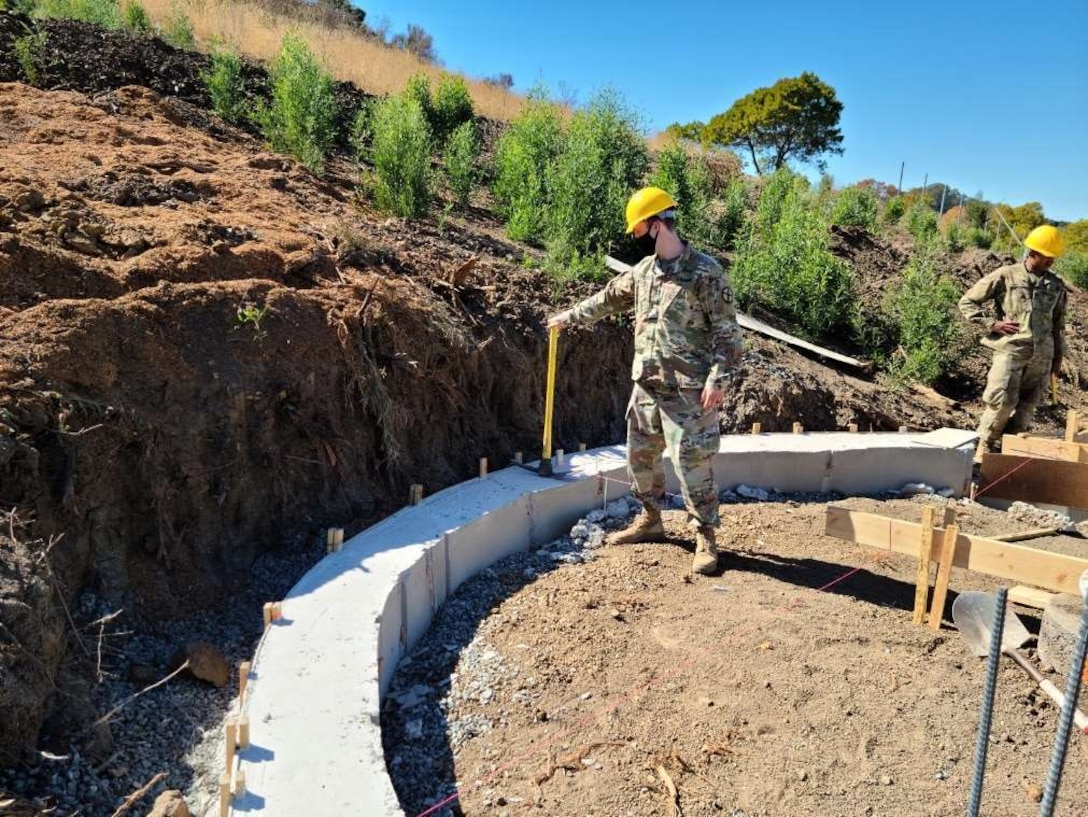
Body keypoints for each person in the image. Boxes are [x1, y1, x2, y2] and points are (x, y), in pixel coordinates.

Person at [548, 187, 744, 574]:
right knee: (640, 459)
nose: (637, 239)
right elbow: (605, 300)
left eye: (639, 231)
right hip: (647, 388)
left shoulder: (706, 273)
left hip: (690, 394)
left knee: (694, 466)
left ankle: (705, 535)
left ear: (657, 225)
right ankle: (651, 519)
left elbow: (729, 337)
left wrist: (717, 379)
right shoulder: (642, 274)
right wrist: (568, 317)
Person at [958, 224, 1068, 461]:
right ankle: (983, 449)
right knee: (1002, 403)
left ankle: (1009, 455)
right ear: (1033, 253)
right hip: (1011, 350)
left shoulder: (1056, 286)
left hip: (1042, 357)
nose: (1051, 261)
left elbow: (1058, 325)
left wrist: (1057, 359)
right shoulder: (1006, 275)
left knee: (1027, 409)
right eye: (1047, 257)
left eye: (1053, 258)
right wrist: (992, 324)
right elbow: (967, 302)